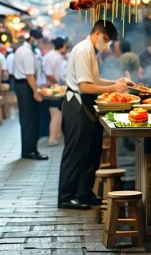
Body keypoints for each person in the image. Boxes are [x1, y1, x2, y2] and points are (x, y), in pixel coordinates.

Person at [58, 20, 130, 210]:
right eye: (105, 39)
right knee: (75, 152)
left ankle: (84, 193)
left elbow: (94, 80)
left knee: (91, 151)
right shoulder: (84, 50)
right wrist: (115, 87)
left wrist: (115, 82)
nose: (106, 44)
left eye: (108, 41)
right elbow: (84, 86)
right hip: (77, 105)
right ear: (97, 34)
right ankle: (66, 196)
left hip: (87, 106)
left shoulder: (91, 50)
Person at [12, 29, 47, 160]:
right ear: (31, 38)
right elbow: (29, 75)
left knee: (28, 119)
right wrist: (35, 92)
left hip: (23, 85)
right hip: (25, 86)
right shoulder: (26, 53)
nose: (38, 43)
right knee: (30, 119)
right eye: (37, 40)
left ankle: (30, 150)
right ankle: (30, 151)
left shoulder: (23, 50)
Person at [42, 37, 67, 146]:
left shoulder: (51, 55)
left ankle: (57, 135)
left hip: (52, 87)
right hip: (54, 88)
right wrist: (57, 84)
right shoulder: (56, 57)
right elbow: (49, 74)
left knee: (57, 113)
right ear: (63, 46)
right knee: (55, 114)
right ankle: (52, 139)